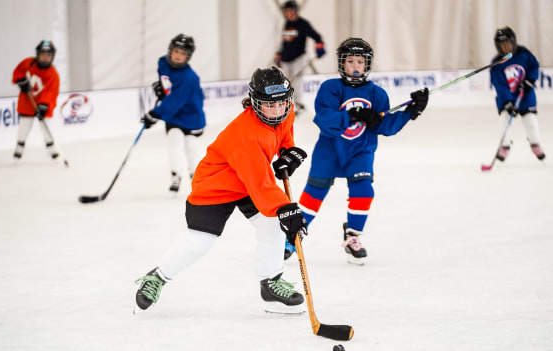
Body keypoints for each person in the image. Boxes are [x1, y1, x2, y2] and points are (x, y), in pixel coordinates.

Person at [135, 67, 309, 314]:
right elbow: (260, 184)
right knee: (199, 241)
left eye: (281, 104)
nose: (276, 111)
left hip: (249, 178)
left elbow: (282, 134)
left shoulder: (284, 110)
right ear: (254, 104)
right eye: (269, 106)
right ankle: (157, 276)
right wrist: (285, 209)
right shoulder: (247, 135)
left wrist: (287, 151)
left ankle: (270, 283)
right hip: (217, 184)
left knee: (270, 223)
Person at [284, 38, 429, 265]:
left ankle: (353, 236)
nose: (355, 66)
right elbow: (324, 120)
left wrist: (412, 111)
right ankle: (292, 238)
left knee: (364, 192)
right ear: (342, 63)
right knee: (314, 195)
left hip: (361, 150)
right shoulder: (330, 88)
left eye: (360, 62)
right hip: (329, 150)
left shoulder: (377, 94)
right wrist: (352, 115)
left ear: (367, 64)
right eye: (350, 61)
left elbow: (385, 126)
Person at [141, 34, 207, 194]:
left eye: (183, 53)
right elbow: (167, 83)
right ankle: (175, 176)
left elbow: (176, 100)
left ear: (188, 56)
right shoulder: (162, 62)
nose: (178, 55)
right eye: (176, 51)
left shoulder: (189, 77)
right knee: (174, 140)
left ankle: (197, 178)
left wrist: (154, 114)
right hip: (175, 115)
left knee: (191, 145)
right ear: (170, 50)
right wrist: (163, 89)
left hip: (191, 114)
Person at [490, 26, 545, 162]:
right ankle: (505, 146)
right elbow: (500, 86)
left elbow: (534, 66)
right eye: (502, 45)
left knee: (530, 120)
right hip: (508, 96)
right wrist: (508, 101)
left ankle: (535, 143)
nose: (506, 47)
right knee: (504, 119)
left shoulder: (524, 54)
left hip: (525, 95)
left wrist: (529, 81)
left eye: (508, 43)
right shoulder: (497, 63)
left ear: (513, 42)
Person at [12, 40, 61, 160]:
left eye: (48, 55)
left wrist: (44, 105)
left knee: (46, 125)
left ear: (52, 57)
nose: (45, 58)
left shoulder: (53, 74)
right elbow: (18, 72)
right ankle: (20, 146)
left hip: (43, 103)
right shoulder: (28, 63)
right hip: (28, 101)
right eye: (43, 54)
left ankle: (51, 147)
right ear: (38, 54)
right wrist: (20, 80)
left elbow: (51, 91)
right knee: (24, 125)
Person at [274, 0, 325, 115]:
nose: (288, 13)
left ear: (295, 11)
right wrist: (279, 54)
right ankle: (289, 104)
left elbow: (316, 36)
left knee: (296, 82)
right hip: (286, 59)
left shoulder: (303, 24)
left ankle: (298, 104)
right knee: (286, 82)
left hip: (299, 58)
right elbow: (285, 42)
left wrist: (319, 46)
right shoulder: (286, 24)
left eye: (290, 10)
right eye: (286, 11)